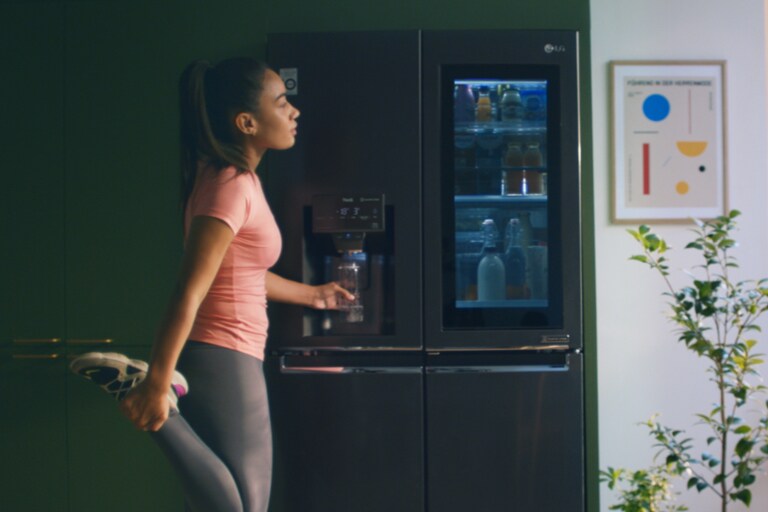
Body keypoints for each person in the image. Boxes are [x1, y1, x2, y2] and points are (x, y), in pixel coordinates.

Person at [69, 57, 353, 512]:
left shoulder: (237, 179)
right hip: (225, 352)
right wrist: (158, 380)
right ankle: (150, 397)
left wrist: (313, 295)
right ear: (246, 122)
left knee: (233, 504)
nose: (294, 111)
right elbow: (190, 289)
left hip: (229, 352)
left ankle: (157, 397)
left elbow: (239, 272)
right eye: (281, 102)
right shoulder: (230, 185)